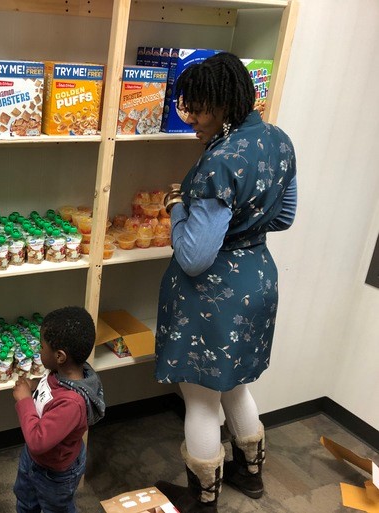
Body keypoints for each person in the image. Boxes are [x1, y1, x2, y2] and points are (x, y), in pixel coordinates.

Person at [153, 52, 297, 513]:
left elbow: (194, 256)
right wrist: (243, 227)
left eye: (199, 109)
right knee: (235, 386)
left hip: (214, 298)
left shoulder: (221, 161)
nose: (190, 118)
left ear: (226, 104)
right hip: (257, 281)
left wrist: (177, 205)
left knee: (199, 399)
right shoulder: (278, 139)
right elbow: (287, 215)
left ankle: (203, 499)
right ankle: (250, 476)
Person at [12, 306, 106, 513]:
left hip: (55, 472)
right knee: (26, 500)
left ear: (60, 356)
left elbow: (38, 441)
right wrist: (35, 385)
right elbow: (51, 386)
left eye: (42, 346)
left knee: (56, 508)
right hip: (35, 460)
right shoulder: (61, 371)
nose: (39, 350)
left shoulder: (71, 404)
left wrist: (24, 400)